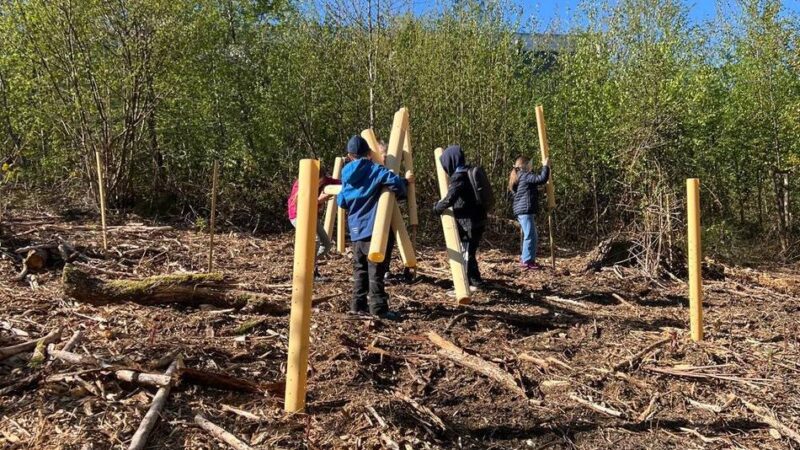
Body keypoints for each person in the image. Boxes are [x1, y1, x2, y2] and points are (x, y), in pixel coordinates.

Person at [337, 135, 409, 319]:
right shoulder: (375, 170)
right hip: (375, 230)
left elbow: (342, 201)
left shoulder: (345, 174)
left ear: (349, 155)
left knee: (360, 269)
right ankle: (378, 308)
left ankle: (357, 305)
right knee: (376, 269)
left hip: (355, 232)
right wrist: (406, 183)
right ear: (369, 153)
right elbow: (397, 185)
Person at [433, 145, 487, 289]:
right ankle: (475, 280)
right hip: (477, 220)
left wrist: (437, 208)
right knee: (470, 252)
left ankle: (467, 285)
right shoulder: (468, 171)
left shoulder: (459, 177)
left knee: (466, 253)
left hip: (469, 223)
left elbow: (450, 198)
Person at [287, 164, 341, 280]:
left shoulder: (325, 180)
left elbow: (339, 183)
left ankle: (309, 266)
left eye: (321, 182)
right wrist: (319, 200)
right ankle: (308, 272)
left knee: (326, 244)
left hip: (312, 216)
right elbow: (300, 207)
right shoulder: (301, 184)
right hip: (298, 216)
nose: (320, 184)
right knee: (314, 241)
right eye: (318, 183)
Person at [508, 155, 550, 270]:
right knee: (530, 235)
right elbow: (541, 179)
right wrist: (545, 166)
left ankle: (526, 258)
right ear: (525, 165)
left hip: (522, 210)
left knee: (531, 235)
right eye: (530, 164)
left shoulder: (520, 176)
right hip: (525, 210)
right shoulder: (526, 175)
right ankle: (527, 261)